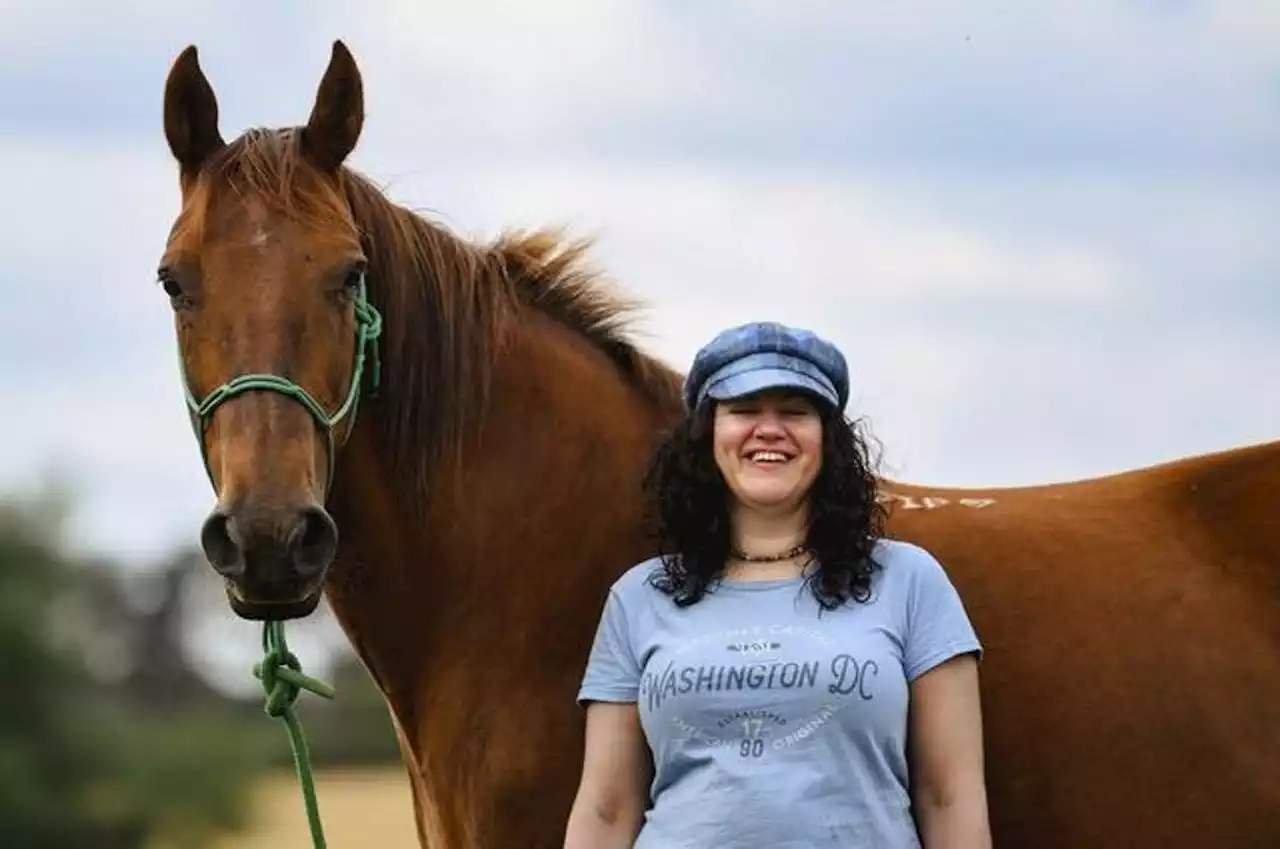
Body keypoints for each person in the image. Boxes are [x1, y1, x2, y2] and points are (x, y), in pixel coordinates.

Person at [562, 321, 991, 849]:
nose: (769, 429)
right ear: (708, 434)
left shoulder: (909, 580)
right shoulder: (639, 597)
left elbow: (949, 797)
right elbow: (606, 809)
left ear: (827, 439)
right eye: (743, 410)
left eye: (795, 411)